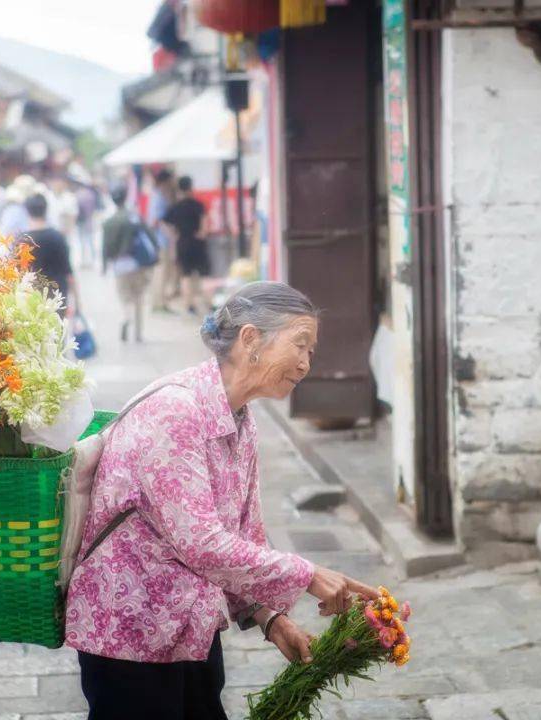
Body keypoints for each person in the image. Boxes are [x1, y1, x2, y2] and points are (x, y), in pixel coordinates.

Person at [66, 281, 379, 719]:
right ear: (250, 339)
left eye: (312, 350)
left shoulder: (239, 418)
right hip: (130, 635)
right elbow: (202, 543)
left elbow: (243, 536)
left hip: (188, 632)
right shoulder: (177, 412)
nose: (307, 363)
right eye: (300, 345)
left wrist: (269, 618)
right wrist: (309, 574)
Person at [101, 184, 153, 343]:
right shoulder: (134, 217)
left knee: (125, 297)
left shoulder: (109, 222)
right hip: (137, 263)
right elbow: (149, 236)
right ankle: (138, 333)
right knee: (138, 297)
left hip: (119, 265)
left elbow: (105, 247)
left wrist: (104, 266)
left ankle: (126, 318)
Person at [19, 193, 79, 320]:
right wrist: (78, 301)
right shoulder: (57, 237)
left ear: (27, 212)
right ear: (46, 210)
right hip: (57, 297)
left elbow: (16, 274)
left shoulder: (21, 240)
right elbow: (68, 272)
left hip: (31, 299)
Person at [163, 175, 210, 315]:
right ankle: (208, 303)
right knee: (204, 274)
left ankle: (189, 305)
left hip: (182, 243)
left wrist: (173, 235)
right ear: (191, 187)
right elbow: (204, 222)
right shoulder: (198, 204)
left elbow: (164, 222)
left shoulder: (175, 207)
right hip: (198, 243)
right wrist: (202, 232)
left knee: (185, 275)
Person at [147, 169, 177, 312]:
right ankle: (159, 303)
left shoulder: (158, 195)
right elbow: (157, 220)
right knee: (161, 272)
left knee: (162, 271)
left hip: (161, 240)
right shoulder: (159, 196)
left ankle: (161, 302)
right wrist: (170, 233)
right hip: (161, 240)